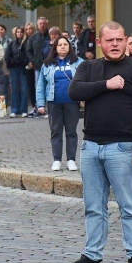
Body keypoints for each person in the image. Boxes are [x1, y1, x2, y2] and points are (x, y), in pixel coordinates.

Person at [65, 21, 132, 263]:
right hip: (91, 147)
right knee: (94, 206)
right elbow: (74, 91)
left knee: (130, 206)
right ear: (100, 43)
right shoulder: (89, 67)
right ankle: (93, 256)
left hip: (124, 148)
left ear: (126, 40)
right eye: (110, 40)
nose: (115, 44)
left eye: (119, 39)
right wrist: (106, 84)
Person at [36, 36, 83, 171]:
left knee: (71, 132)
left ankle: (71, 160)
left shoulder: (79, 62)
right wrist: (40, 104)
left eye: (65, 44)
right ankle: (56, 160)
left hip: (72, 103)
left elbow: (85, 80)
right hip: (53, 103)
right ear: (55, 48)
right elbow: (40, 86)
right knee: (55, 131)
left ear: (70, 47)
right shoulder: (47, 64)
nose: (63, 47)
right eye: (60, 45)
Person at [25, 17, 49, 116]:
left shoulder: (50, 36)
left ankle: (48, 107)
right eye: (40, 24)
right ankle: (39, 107)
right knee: (38, 87)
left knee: (49, 87)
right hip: (38, 67)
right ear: (38, 25)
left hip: (49, 66)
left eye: (44, 23)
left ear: (46, 24)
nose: (42, 25)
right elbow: (28, 50)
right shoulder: (34, 37)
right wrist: (33, 61)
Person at [5, 26, 28, 118]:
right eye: (18, 32)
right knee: (14, 89)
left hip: (23, 69)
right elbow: (7, 55)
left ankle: (23, 110)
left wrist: (24, 62)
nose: (19, 34)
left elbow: (27, 55)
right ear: (15, 33)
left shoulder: (26, 43)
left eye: (21, 32)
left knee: (23, 90)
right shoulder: (12, 44)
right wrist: (11, 63)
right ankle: (14, 110)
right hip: (13, 69)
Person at [23, 22, 37, 111]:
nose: (28, 31)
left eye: (30, 29)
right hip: (27, 67)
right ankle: (34, 106)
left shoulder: (37, 39)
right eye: (27, 29)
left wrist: (33, 62)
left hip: (37, 65)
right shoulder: (24, 41)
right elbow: (23, 54)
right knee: (31, 87)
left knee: (38, 87)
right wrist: (28, 63)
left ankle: (41, 105)